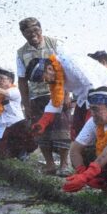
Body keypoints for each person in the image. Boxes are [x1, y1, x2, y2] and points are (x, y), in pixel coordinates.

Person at [15, 17, 71, 176]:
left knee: (62, 129)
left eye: (35, 30)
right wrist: (26, 105)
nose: (32, 34)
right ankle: (50, 164)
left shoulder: (54, 44)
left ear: (40, 29)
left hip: (57, 93)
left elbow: (66, 69)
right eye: (27, 32)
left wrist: (67, 94)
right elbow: (21, 80)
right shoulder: (21, 53)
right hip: (36, 96)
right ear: (23, 34)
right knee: (41, 131)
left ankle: (65, 164)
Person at [25, 51, 107, 140]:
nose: (45, 82)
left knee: (92, 131)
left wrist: (90, 117)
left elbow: (93, 86)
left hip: (105, 89)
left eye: (44, 79)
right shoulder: (55, 76)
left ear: (49, 68)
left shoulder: (70, 63)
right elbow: (56, 102)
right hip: (86, 94)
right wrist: (42, 123)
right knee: (77, 129)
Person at [63, 87, 107, 194]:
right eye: (90, 109)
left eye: (95, 109)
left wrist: (86, 176)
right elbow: (74, 150)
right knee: (85, 154)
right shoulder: (94, 120)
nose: (92, 113)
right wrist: (81, 173)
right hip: (106, 162)